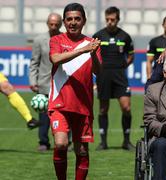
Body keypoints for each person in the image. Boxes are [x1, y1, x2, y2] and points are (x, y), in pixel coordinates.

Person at [48, 3, 101, 180]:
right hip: (59, 103)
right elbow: (55, 58)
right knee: (61, 144)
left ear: (84, 21)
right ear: (64, 21)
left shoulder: (92, 43)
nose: (73, 22)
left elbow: (98, 71)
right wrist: (83, 50)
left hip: (83, 105)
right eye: (69, 19)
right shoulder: (56, 40)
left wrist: (92, 53)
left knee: (82, 150)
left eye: (77, 19)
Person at [93, 6, 135, 150]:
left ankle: (126, 141)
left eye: (113, 19)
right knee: (103, 109)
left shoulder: (125, 36)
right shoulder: (98, 35)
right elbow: (92, 56)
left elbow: (131, 55)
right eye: (107, 19)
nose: (110, 22)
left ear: (118, 19)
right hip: (103, 75)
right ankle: (103, 142)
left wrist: (124, 65)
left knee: (126, 107)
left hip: (119, 76)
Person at [29, 12, 62, 152]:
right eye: (51, 24)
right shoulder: (39, 40)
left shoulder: (64, 39)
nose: (53, 26)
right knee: (44, 116)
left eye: (56, 24)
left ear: (60, 24)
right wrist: (33, 80)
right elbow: (34, 62)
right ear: (47, 24)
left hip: (61, 84)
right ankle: (43, 142)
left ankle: (67, 141)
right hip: (44, 83)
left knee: (64, 114)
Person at [146, 15, 166, 79]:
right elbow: (149, 61)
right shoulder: (154, 41)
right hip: (158, 75)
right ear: (163, 25)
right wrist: (149, 77)